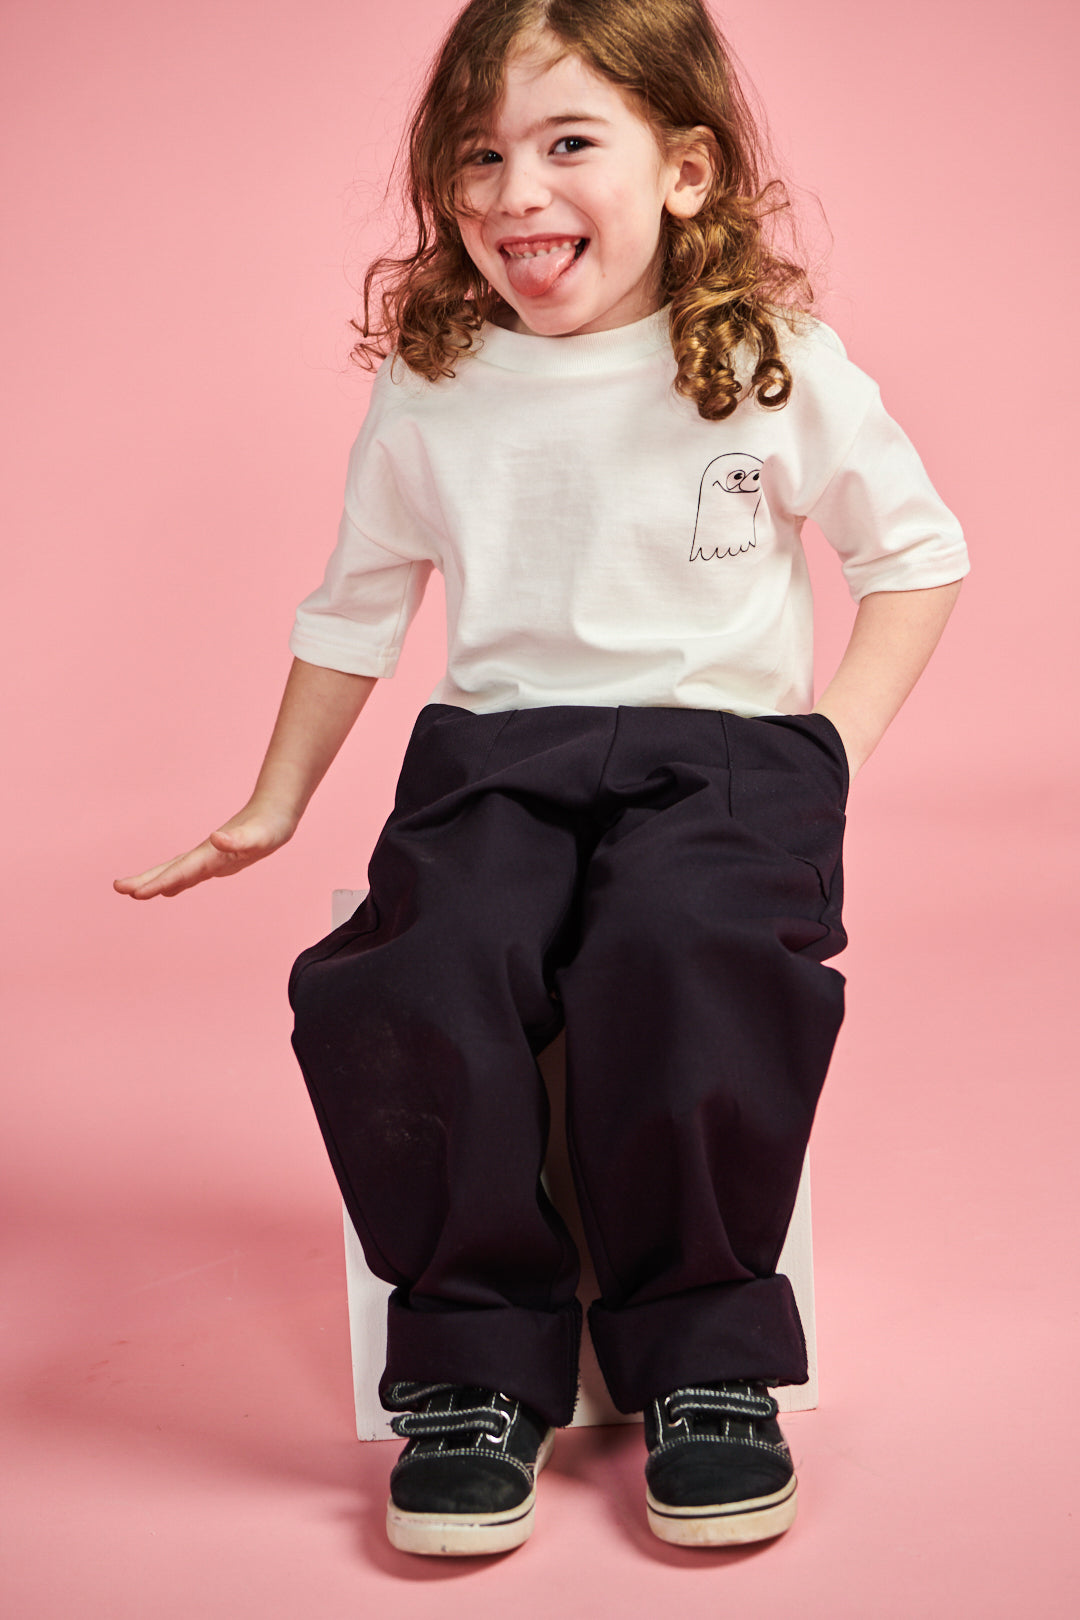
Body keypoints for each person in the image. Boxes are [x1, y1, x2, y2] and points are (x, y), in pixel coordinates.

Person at [116, 0, 968, 1559]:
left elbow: (915, 554)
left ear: (688, 170)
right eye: (478, 155)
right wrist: (276, 799)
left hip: (722, 753)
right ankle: (474, 1363)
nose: (516, 192)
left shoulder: (768, 360)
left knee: (687, 955)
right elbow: (357, 602)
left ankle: (708, 1360)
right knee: (411, 972)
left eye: (569, 143)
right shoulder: (440, 382)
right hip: (499, 756)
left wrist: (829, 741)